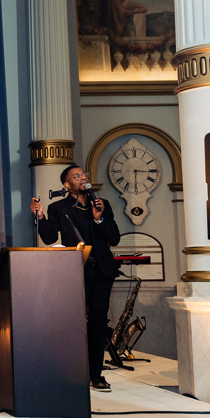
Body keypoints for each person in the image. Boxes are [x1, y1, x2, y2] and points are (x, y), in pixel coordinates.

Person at [30, 164, 121, 393]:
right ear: (66, 184)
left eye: (84, 175)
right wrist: (40, 216)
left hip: (101, 272)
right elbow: (49, 238)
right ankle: (72, 373)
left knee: (98, 323)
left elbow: (114, 238)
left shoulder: (100, 204)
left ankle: (95, 375)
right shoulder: (59, 208)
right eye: (77, 176)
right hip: (76, 271)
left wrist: (99, 219)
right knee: (75, 323)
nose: (83, 178)